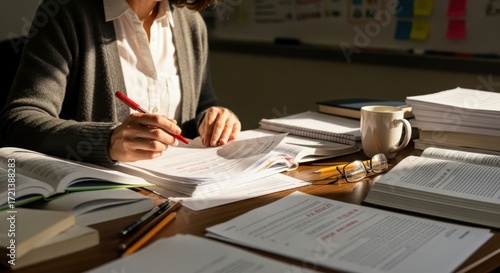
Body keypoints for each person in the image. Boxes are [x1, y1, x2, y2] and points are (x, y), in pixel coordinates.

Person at [0, 0, 241, 166]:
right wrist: (107, 141)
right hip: (103, 203)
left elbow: (202, 105)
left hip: (178, 195)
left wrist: (213, 118)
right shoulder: (66, 14)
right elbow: (18, 121)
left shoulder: (191, 24)